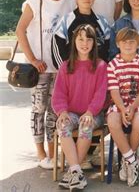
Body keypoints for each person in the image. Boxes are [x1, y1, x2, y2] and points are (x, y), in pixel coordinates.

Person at [15, 0, 75, 169]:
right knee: (38, 109)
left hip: (60, 67)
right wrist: (32, 59)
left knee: (55, 111)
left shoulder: (70, 2)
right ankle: (41, 154)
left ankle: (53, 152)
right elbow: (20, 30)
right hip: (39, 67)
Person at [52, 24, 107, 190]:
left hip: (94, 113)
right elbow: (59, 93)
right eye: (81, 39)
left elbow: (101, 94)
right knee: (62, 125)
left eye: (89, 39)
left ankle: (73, 173)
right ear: (74, 41)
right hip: (72, 112)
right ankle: (76, 171)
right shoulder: (66, 66)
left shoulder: (100, 65)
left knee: (86, 125)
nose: (85, 43)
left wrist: (90, 112)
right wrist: (62, 112)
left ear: (94, 42)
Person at [106, 28, 139, 187]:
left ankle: (127, 161)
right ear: (118, 44)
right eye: (124, 42)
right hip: (118, 103)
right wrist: (123, 109)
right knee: (112, 120)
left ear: (138, 44)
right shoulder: (112, 64)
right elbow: (114, 91)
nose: (128, 44)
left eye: (132, 42)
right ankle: (132, 160)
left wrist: (132, 108)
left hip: (137, 102)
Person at [52, 0, 111, 69]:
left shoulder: (103, 22)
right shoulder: (66, 21)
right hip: (72, 74)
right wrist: (65, 71)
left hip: (97, 74)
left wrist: (102, 70)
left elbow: (108, 49)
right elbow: (57, 48)